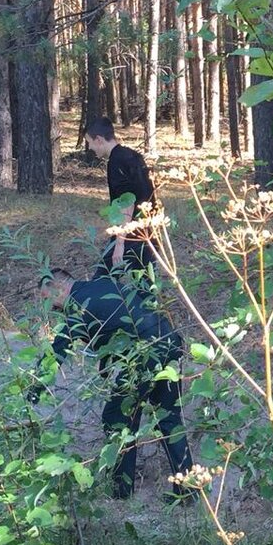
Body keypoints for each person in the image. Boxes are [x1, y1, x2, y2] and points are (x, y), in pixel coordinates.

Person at [38, 267, 192, 500]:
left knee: (117, 418)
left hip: (144, 353)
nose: (51, 309)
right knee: (169, 418)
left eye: (48, 300)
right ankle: (187, 491)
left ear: (59, 288)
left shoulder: (77, 305)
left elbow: (56, 353)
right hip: (169, 341)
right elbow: (144, 300)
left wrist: (33, 388)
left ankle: (121, 492)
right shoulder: (102, 285)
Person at [85, 117, 157, 284]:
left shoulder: (116, 162)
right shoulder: (132, 155)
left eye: (90, 143)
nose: (90, 148)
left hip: (132, 234)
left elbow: (127, 202)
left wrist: (119, 244)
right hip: (150, 231)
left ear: (99, 140)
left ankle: (86, 309)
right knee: (145, 286)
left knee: (102, 281)